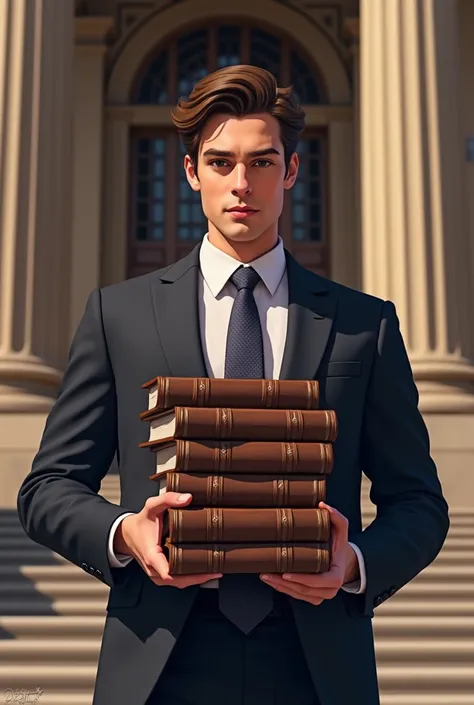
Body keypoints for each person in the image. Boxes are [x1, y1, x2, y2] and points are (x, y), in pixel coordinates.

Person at [16, 64, 449, 705]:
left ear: (292, 172)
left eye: (262, 163)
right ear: (191, 173)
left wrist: (354, 565)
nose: (241, 184)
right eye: (220, 163)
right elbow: (47, 488)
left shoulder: (365, 325)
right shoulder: (119, 314)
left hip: (316, 660)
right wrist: (124, 534)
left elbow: (419, 504)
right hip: (160, 656)